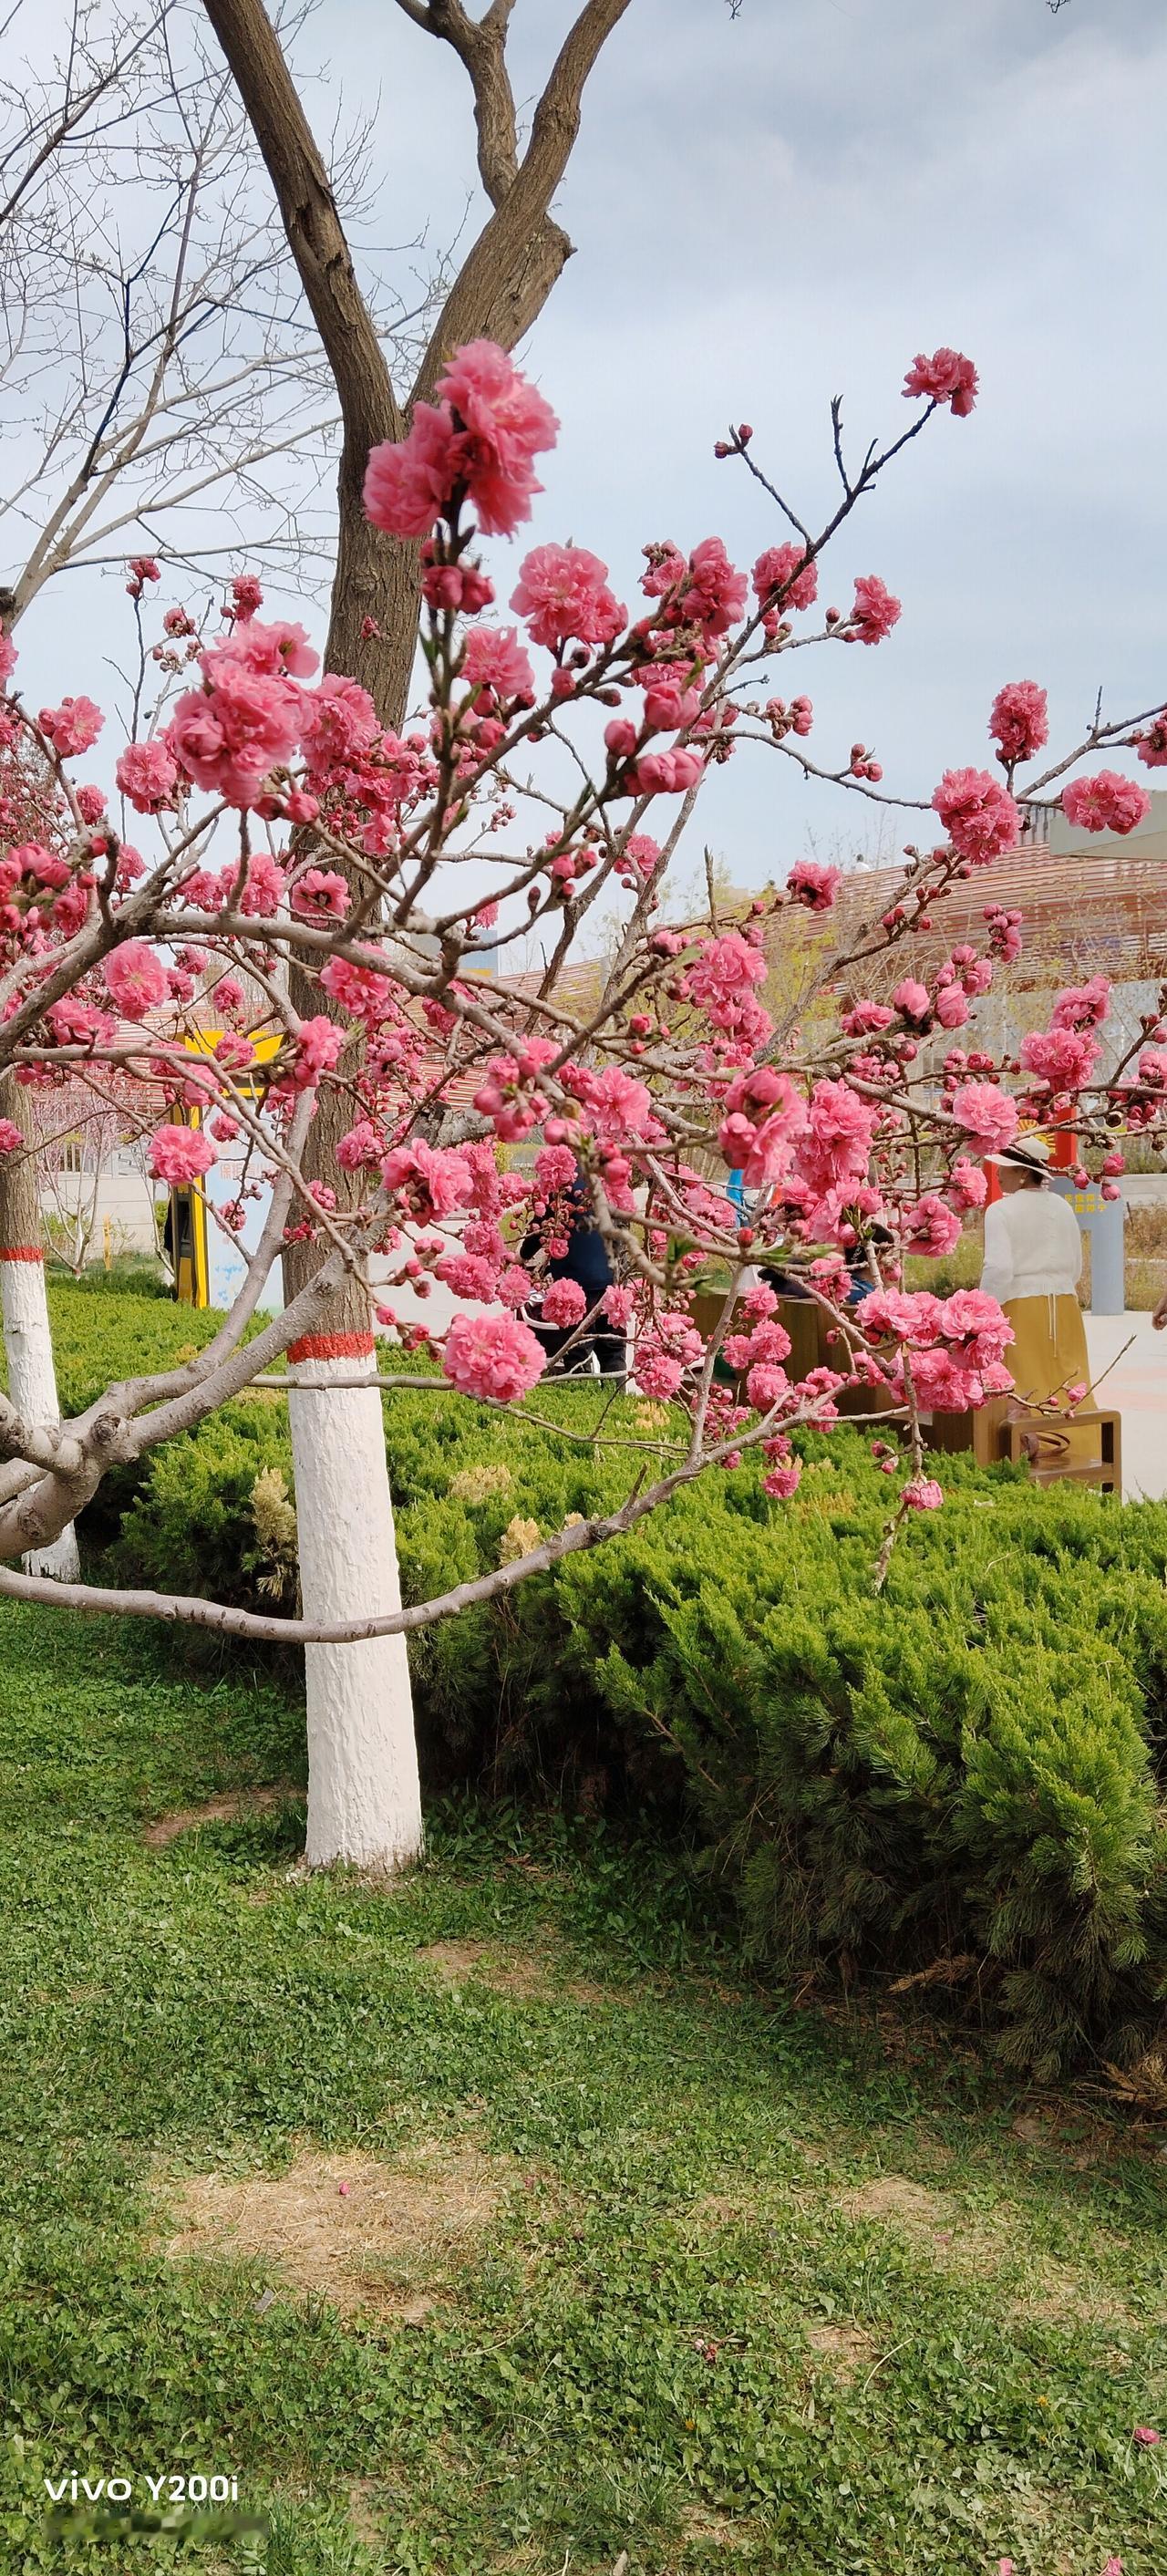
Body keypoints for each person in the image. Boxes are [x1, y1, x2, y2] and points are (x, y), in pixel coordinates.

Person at [980, 1135, 1093, 1449]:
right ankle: (1084, 1450)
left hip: (1019, 1307)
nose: (998, 1174)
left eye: (1005, 1168)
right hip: (1065, 1306)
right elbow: (1076, 1265)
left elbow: (999, 1269)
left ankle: (1033, 1455)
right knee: (1070, 1381)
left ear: (1024, 1173)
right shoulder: (1062, 1206)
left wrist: (981, 1314)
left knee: (1022, 1385)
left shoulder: (1000, 1211)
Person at [522, 1166, 625, 1379]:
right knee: (613, 1350)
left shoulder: (562, 1176)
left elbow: (542, 1224)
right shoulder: (609, 1171)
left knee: (577, 1351)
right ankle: (617, 1405)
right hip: (612, 1280)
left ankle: (582, 1402)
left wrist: (522, 1256)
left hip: (577, 1286)